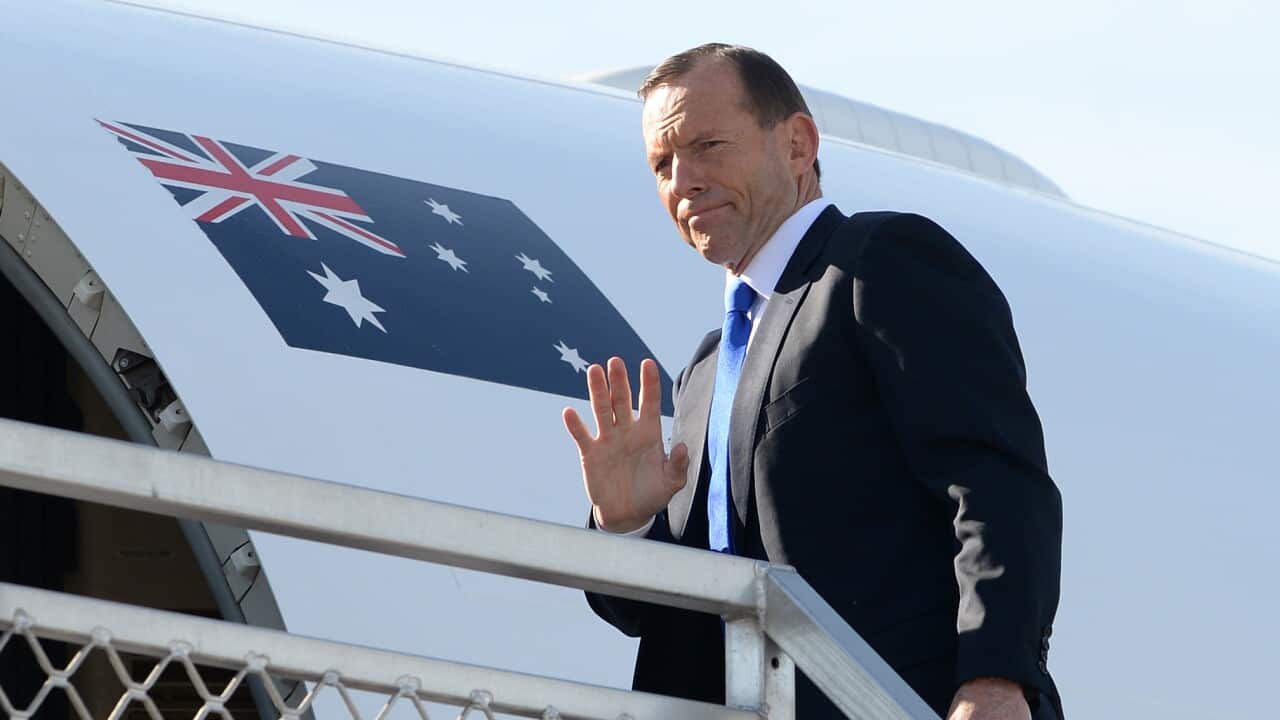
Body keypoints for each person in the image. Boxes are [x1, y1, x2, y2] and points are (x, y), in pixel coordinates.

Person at [561, 43, 1063, 720]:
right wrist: (627, 525)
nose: (683, 181)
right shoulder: (706, 370)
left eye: (708, 146)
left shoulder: (878, 263)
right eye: (662, 164)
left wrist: (996, 678)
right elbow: (661, 617)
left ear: (798, 144)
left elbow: (995, 483)